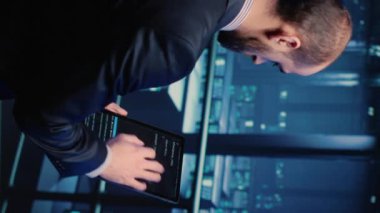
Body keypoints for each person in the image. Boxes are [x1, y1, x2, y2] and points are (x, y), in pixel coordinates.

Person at [0, 0, 352, 191]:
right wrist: (103, 160)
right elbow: (43, 117)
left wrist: (86, 81)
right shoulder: (173, 47)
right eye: (278, 64)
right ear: (288, 41)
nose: (258, 60)